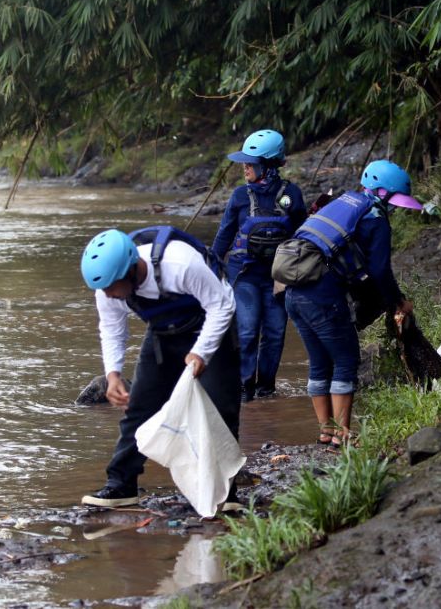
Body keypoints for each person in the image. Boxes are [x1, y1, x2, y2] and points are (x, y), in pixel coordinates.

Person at [79, 226, 241, 508]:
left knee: (220, 409)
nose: (107, 294)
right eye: (103, 289)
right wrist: (113, 374)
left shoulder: (181, 264)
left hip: (212, 327)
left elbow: (222, 306)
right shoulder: (107, 289)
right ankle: (121, 485)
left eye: (111, 287)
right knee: (139, 408)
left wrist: (201, 352)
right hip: (163, 333)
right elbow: (112, 328)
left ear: (131, 270)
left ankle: (225, 493)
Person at [283, 159, 422, 446]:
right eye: (394, 201)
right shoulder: (376, 218)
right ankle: (342, 435)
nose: (395, 208)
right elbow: (380, 270)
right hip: (321, 295)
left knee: (320, 361)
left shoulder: (341, 203)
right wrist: (398, 302)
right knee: (346, 359)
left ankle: (326, 431)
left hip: (291, 292)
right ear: (383, 194)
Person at [212, 130, 307, 403]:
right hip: (244, 276)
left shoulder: (292, 195)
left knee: (275, 332)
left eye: (250, 162)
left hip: (279, 278)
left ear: (267, 165)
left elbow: (303, 234)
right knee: (247, 331)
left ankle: (266, 389)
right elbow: (224, 236)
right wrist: (212, 266)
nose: (244, 167)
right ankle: (244, 390)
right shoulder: (240, 196)